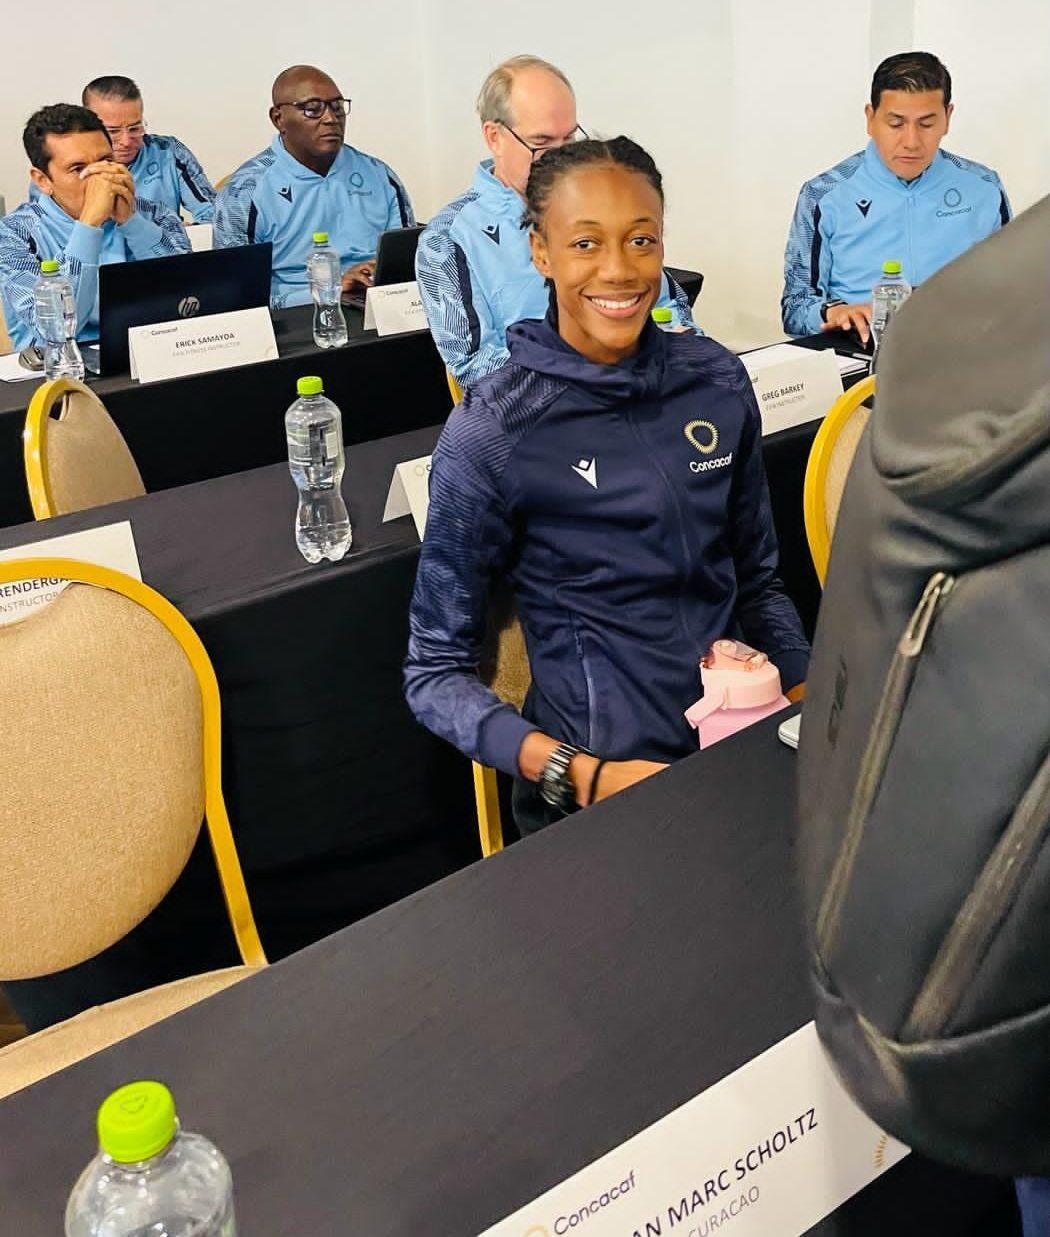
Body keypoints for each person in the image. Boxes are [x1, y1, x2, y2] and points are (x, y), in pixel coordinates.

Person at [405, 137, 808, 834]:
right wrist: (575, 772)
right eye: (586, 243)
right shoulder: (494, 429)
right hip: (599, 789)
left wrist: (804, 702)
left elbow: (758, 581)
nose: (619, 271)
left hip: (742, 751)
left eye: (641, 241)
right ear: (541, 251)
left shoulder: (715, 379)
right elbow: (433, 672)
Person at [416, 56, 697, 389]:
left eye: (570, 140)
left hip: (642, 388)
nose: (562, 159)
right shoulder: (448, 239)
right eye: (541, 144)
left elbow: (670, 308)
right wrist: (589, 375)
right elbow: (475, 366)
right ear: (494, 137)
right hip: (543, 412)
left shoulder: (602, 202)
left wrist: (682, 346)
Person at [782, 51, 1011, 342]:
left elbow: (1012, 295)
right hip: (862, 355)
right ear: (870, 118)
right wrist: (833, 312)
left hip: (963, 352)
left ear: (947, 118)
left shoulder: (984, 188)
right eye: (896, 124)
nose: (912, 142)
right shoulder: (824, 195)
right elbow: (795, 308)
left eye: (926, 124)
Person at [214, 65, 414, 309]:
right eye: (313, 109)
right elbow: (236, 297)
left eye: (337, 107)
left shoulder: (379, 175)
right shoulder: (245, 192)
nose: (330, 119)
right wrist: (333, 290)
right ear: (279, 118)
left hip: (378, 307)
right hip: (297, 318)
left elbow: (408, 266)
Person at [0, 104, 190, 351]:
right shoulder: (14, 234)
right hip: (62, 373)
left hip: (153, 356)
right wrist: (89, 224)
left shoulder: (155, 214)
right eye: (78, 169)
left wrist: (132, 223)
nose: (101, 177)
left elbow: (188, 297)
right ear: (43, 181)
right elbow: (57, 331)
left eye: (106, 161)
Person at [82, 75, 216, 224]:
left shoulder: (168, 152)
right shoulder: (72, 167)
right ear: (88, 127)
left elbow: (215, 215)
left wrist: (184, 234)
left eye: (134, 128)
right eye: (113, 131)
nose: (126, 142)